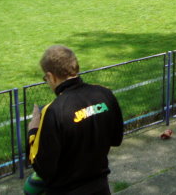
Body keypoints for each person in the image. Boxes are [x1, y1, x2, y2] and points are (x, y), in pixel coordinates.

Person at [24, 45, 123, 195]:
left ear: (51, 76)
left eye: (46, 78)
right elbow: (116, 139)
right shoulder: (105, 94)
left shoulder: (53, 112)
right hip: (100, 187)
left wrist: (33, 130)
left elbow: (43, 168)